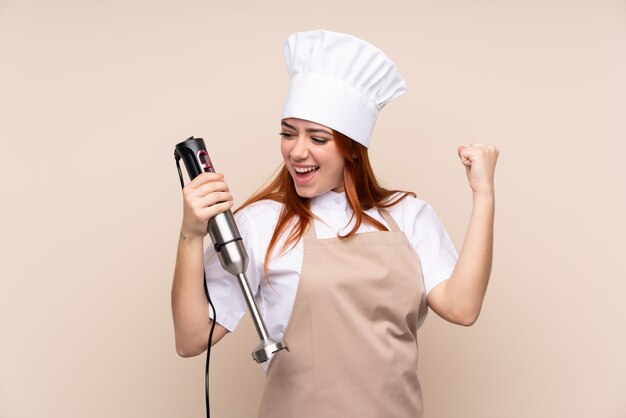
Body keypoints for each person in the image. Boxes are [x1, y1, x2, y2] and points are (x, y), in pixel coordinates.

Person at [171, 29, 499, 418]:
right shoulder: (261, 222)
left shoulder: (408, 215)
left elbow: (462, 308)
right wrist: (191, 235)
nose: (297, 151)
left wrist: (483, 195)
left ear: (351, 148)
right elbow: (192, 339)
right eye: (288, 133)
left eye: (318, 138)